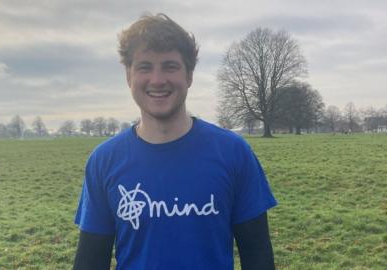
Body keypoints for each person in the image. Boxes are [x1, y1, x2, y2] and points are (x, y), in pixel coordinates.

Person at [73, 13, 277, 270]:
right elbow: (90, 261)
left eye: (170, 66)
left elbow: (257, 253)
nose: (157, 80)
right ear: (128, 76)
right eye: (145, 67)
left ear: (189, 75)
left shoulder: (233, 152)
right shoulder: (104, 161)